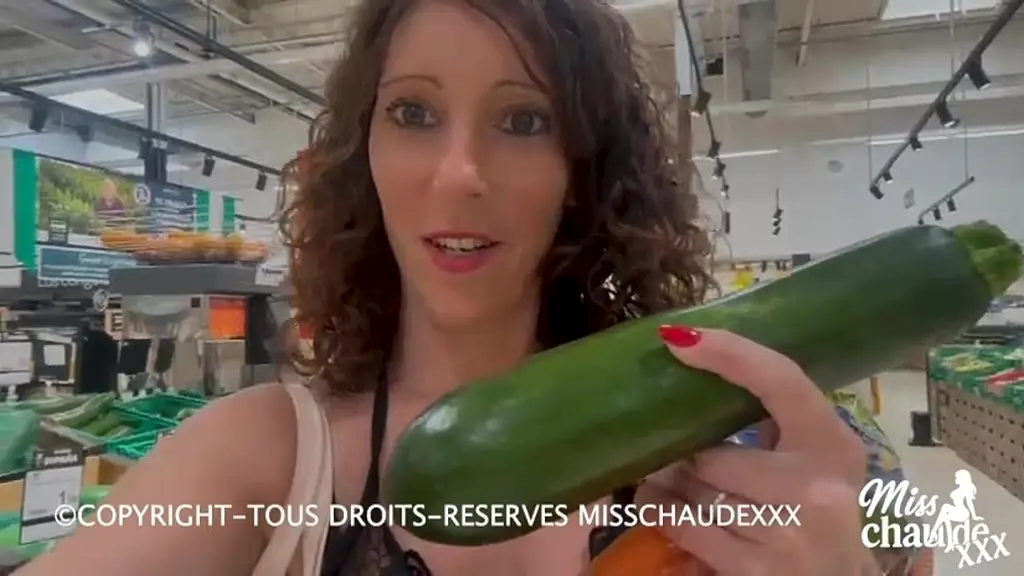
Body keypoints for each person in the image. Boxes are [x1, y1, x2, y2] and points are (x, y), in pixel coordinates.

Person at [19, 1, 892, 574]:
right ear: (365, 151)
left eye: (523, 119)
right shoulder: (263, 460)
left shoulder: (711, 474)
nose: (460, 173)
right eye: (414, 113)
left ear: (580, 172)